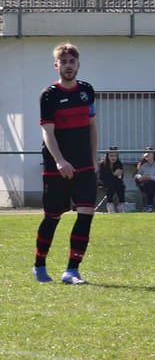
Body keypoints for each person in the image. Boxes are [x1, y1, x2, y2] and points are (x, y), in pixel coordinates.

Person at [33, 42, 98, 285]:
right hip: (56, 167)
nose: (68, 66)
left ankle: (72, 270)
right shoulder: (49, 95)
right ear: (56, 65)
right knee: (52, 217)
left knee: (86, 214)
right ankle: (39, 265)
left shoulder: (86, 91)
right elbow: (47, 133)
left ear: (78, 64)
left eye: (72, 61)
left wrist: (93, 160)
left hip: (84, 165)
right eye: (64, 62)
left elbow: (92, 126)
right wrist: (60, 161)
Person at [134, 146, 155, 212]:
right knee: (149, 183)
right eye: (146, 153)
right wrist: (140, 177)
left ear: (154, 154)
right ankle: (149, 206)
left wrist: (150, 177)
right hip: (147, 184)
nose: (147, 155)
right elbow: (137, 174)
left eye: (149, 153)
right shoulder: (142, 164)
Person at [97, 146, 126, 213]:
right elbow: (101, 177)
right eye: (111, 155)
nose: (113, 157)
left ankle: (121, 204)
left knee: (120, 186)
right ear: (107, 156)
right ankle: (110, 204)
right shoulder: (102, 164)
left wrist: (119, 175)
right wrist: (113, 174)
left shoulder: (119, 164)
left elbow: (121, 177)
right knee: (111, 185)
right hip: (104, 182)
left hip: (116, 182)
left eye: (115, 156)